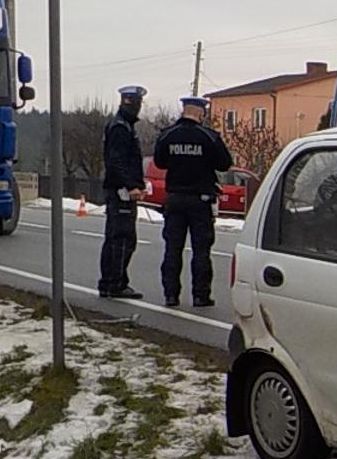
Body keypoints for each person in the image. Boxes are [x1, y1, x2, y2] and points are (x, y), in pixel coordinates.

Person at [154, 96, 235, 307]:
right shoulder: (208, 137)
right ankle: (201, 295)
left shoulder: (168, 135)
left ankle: (171, 295)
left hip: (175, 198)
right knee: (201, 250)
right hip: (200, 200)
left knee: (173, 248)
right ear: (200, 113)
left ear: (184, 111)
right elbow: (225, 163)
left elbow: (160, 162)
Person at [98, 85, 148, 299]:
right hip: (121, 191)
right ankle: (115, 283)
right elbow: (117, 161)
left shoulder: (123, 125)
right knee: (122, 239)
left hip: (120, 189)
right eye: (138, 103)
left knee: (117, 238)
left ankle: (110, 283)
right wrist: (131, 185)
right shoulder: (120, 128)